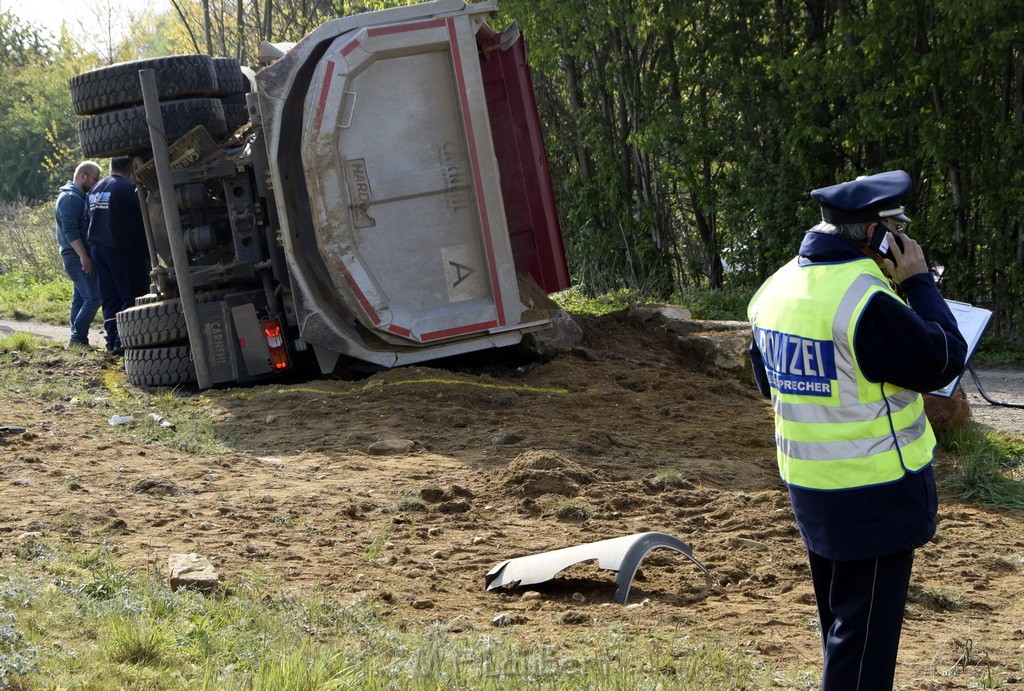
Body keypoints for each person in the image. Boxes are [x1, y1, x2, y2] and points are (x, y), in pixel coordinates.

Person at [746, 170, 967, 690]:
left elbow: (766, 383)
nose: (905, 240)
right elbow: (943, 359)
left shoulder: (775, 288)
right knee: (863, 650)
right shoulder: (866, 298)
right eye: (897, 228)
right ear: (876, 235)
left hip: (812, 488)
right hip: (875, 494)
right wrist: (918, 283)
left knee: (843, 630)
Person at [88, 156, 151, 356]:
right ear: (131, 167)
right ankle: (124, 341)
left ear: (111, 166)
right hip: (122, 249)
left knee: (110, 297)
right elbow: (149, 210)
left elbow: (86, 219)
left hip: (97, 249)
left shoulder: (95, 189)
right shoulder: (128, 189)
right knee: (130, 295)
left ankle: (112, 343)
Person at [55, 160, 103, 348]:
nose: (96, 184)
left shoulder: (76, 196)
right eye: (95, 179)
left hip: (75, 255)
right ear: (83, 176)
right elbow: (70, 229)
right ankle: (77, 338)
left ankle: (78, 339)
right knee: (95, 297)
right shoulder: (70, 198)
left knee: (81, 298)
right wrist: (83, 255)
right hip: (75, 256)